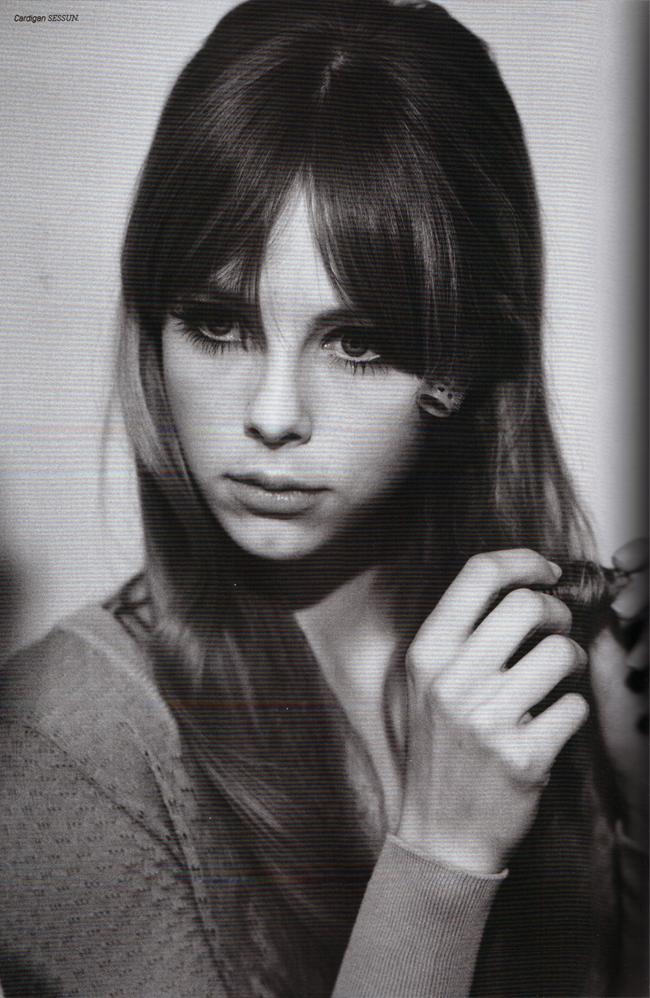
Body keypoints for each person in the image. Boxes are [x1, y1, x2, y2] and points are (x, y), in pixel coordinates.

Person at [0, 1, 647, 995]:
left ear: (469, 360)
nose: (272, 415)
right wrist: (441, 857)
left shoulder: (552, 670)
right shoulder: (65, 741)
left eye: (356, 341)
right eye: (217, 323)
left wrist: (633, 802)